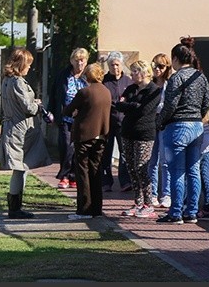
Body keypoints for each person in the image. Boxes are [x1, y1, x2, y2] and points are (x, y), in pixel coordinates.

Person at [155, 36, 209, 224]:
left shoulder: (176, 78)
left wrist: (160, 122)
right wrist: (198, 116)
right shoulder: (200, 76)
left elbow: (170, 105)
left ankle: (176, 212)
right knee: (194, 170)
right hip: (197, 126)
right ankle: (192, 212)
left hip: (178, 126)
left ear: (176, 59)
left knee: (177, 171)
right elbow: (207, 102)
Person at [0, 48, 53, 219]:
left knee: (21, 167)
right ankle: (15, 208)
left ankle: (15, 206)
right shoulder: (18, 82)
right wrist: (38, 106)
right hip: (20, 129)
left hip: (12, 126)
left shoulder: (7, 80)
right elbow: (27, 107)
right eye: (28, 64)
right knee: (20, 167)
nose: (30, 68)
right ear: (21, 64)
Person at [62, 63, 112, 220]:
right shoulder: (106, 92)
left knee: (82, 172)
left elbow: (67, 110)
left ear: (87, 76)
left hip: (84, 136)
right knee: (96, 171)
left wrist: (76, 112)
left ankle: (84, 209)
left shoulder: (85, 92)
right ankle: (96, 209)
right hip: (101, 135)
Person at [115, 60, 161, 218]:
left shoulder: (153, 90)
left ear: (145, 72)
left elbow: (144, 110)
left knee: (141, 167)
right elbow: (119, 105)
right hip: (127, 132)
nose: (132, 74)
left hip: (144, 133)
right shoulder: (130, 88)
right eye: (132, 71)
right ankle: (138, 202)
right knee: (131, 168)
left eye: (135, 71)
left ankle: (149, 203)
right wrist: (132, 106)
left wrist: (131, 106)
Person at [49, 47, 89, 189]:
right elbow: (54, 94)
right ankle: (64, 176)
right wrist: (51, 112)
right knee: (66, 146)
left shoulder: (88, 76)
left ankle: (73, 176)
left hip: (82, 118)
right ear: (72, 61)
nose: (79, 64)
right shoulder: (63, 75)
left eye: (82, 61)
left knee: (77, 148)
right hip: (65, 117)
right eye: (77, 60)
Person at [101, 51, 133, 193]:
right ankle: (106, 181)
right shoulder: (104, 81)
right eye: (112, 65)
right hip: (107, 122)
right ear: (108, 65)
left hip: (123, 122)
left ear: (121, 65)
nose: (115, 67)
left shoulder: (128, 81)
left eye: (117, 65)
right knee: (106, 153)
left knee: (124, 153)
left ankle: (124, 181)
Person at [148, 53, 174, 208]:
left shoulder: (170, 84)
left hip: (165, 122)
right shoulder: (151, 84)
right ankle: (152, 194)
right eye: (155, 66)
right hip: (151, 122)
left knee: (165, 160)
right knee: (152, 160)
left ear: (167, 68)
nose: (157, 69)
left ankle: (166, 194)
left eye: (161, 66)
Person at [197, 111, 209, 220]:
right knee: (204, 173)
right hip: (207, 142)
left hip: (204, 144)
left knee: (204, 174)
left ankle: (208, 207)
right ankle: (207, 207)